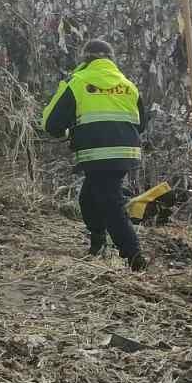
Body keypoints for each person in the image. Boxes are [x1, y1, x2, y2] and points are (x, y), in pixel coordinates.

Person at [41, 38, 148, 271]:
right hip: (125, 153)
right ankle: (98, 243)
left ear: (85, 59)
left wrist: (70, 130)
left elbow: (51, 123)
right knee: (88, 198)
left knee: (111, 203)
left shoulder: (77, 81)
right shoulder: (128, 85)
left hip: (96, 154)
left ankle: (133, 255)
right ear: (111, 59)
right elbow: (142, 124)